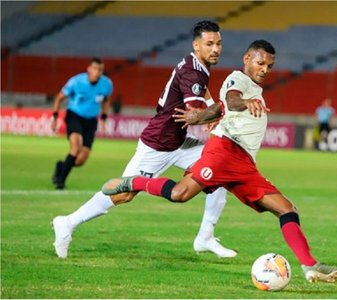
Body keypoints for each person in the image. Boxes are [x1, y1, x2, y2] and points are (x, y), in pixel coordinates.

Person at [102, 40, 337, 283]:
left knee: (287, 209)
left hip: (245, 164)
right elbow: (231, 100)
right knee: (179, 194)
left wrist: (201, 116)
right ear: (247, 59)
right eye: (260, 63)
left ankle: (310, 266)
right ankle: (136, 182)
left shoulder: (254, 88)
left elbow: (221, 108)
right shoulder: (237, 79)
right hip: (224, 152)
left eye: (269, 66)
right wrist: (243, 103)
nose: (265, 69)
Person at [52, 20, 236, 259]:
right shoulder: (193, 71)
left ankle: (205, 237)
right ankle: (67, 223)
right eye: (210, 44)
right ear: (196, 45)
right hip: (158, 144)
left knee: (218, 171)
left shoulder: (196, 64)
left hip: (179, 141)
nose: (216, 49)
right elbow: (193, 116)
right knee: (123, 193)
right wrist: (221, 111)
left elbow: (200, 95)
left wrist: (210, 108)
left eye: (219, 43)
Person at [51, 57, 113, 190]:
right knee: (76, 147)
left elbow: (106, 101)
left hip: (90, 121)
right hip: (74, 116)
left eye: (101, 70)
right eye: (95, 69)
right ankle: (60, 181)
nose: (98, 72)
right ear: (89, 69)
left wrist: (103, 118)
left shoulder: (107, 84)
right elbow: (59, 97)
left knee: (80, 160)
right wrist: (55, 117)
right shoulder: (76, 81)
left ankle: (61, 166)